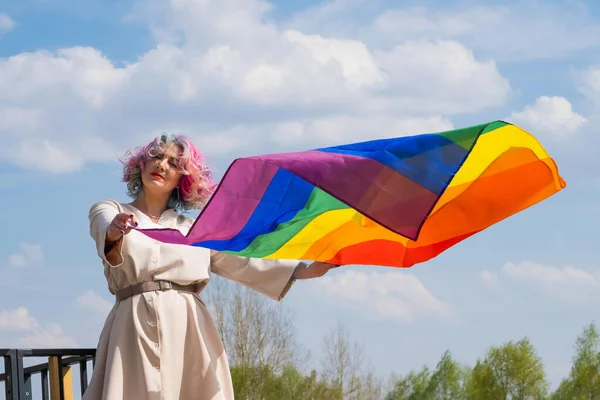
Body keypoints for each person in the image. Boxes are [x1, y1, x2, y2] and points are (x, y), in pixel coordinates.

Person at [83, 134, 339, 400]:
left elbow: (243, 262)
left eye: (173, 163)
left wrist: (305, 270)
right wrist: (115, 229)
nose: (161, 165)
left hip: (187, 328)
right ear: (141, 164)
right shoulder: (109, 209)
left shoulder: (196, 229)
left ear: (183, 180)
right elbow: (105, 226)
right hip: (131, 324)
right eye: (157, 156)